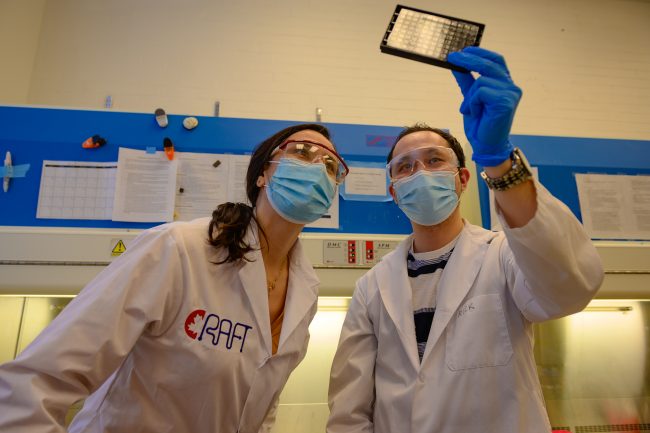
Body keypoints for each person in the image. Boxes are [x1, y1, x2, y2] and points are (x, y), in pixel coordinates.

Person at [0, 123, 349, 433]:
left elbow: (261, 408)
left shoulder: (305, 293)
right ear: (263, 173)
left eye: (330, 165)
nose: (318, 167)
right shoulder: (178, 249)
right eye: (303, 152)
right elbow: (39, 380)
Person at [326, 47, 604, 433]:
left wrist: (498, 159)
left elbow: (569, 289)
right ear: (394, 191)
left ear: (463, 179)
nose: (419, 171)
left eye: (434, 160)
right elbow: (349, 413)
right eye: (405, 167)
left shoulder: (503, 257)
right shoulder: (371, 288)